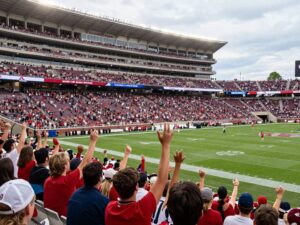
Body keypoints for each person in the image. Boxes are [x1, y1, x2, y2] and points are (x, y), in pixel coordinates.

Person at [105, 123, 173, 225]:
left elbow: (161, 180)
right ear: (136, 187)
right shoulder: (141, 209)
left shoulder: (109, 208)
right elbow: (162, 180)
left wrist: (126, 155)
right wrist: (166, 145)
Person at [44, 130, 99, 216]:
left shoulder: (48, 180)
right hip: (65, 219)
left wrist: (57, 146)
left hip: (51, 219)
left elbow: (53, 161)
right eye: (68, 161)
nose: (69, 162)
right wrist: (93, 141)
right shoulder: (67, 181)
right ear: (65, 166)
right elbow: (86, 161)